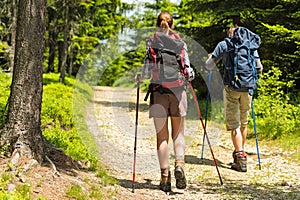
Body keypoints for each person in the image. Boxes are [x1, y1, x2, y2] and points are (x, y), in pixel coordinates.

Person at [136, 11, 194, 192]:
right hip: (178, 93)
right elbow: (189, 72)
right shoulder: (180, 43)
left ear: (157, 24)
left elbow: (146, 72)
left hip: (158, 93)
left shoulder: (151, 43)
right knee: (178, 134)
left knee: (162, 137)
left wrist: (140, 78)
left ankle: (165, 178)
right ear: (172, 24)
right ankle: (179, 164)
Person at [205, 26, 263, 172]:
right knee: (244, 122)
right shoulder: (250, 44)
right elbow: (259, 68)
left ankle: (240, 157)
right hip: (248, 87)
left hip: (231, 87)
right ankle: (239, 152)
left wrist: (210, 57)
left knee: (234, 124)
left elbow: (209, 65)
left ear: (229, 33)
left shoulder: (224, 44)